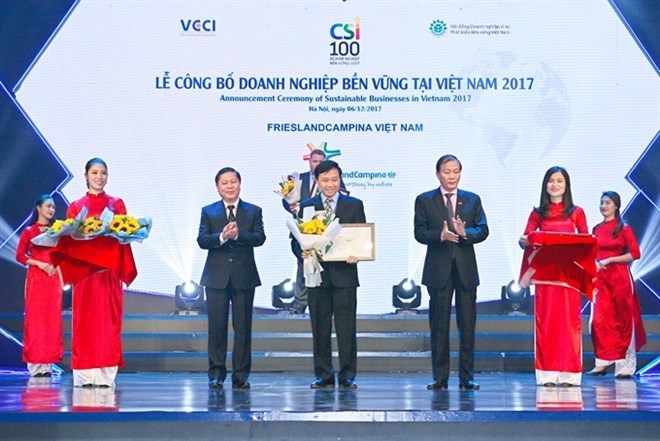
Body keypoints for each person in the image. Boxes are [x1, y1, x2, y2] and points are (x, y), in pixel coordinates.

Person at [414, 154, 489, 391]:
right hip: (438, 271)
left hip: (466, 270)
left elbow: (483, 230)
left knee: (467, 326)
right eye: (447, 172)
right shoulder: (425, 200)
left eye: (456, 171)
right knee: (439, 326)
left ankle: (467, 377)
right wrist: (440, 235)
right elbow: (419, 233)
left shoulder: (472, 199)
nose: (452, 176)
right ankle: (440, 378)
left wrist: (465, 233)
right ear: (438, 174)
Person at [292, 160, 365, 389]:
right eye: (325, 180)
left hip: (345, 275)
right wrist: (301, 252)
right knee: (320, 328)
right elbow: (294, 241)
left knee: (346, 328)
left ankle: (347, 376)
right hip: (317, 275)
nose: (330, 184)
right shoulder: (307, 206)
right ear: (317, 181)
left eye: (334, 179)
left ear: (340, 179)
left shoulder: (354, 205)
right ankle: (323, 375)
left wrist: (357, 254)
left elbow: (361, 237)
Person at [64, 157, 136, 388]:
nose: (99, 177)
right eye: (94, 172)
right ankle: (84, 375)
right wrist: (83, 235)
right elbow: (69, 240)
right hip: (85, 273)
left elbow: (124, 234)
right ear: (86, 176)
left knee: (108, 321)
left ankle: (106, 375)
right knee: (84, 322)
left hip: (108, 272)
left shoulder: (117, 203)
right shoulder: (76, 206)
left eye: (103, 173)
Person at [519, 166, 588, 387]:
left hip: (569, 277)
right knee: (546, 322)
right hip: (546, 276)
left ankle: (569, 374)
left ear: (566, 185)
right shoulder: (537, 213)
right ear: (545, 185)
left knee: (569, 323)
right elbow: (525, 238)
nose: (555, 185)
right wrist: (525, 241)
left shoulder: (576, 212)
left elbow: (586, 241)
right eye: (551, 180)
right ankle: (547, 374)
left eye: (559, 181)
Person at [198, 167, 266, 390]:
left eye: (233, 182)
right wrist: (222, 236)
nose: (229, 186)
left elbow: (259, 238)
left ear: (240, 184)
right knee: (216, 328)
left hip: (244, 276)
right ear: (217, 187)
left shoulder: (253, 211)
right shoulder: (208, 211)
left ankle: (241, 375)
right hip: (216, 278)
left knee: (243, 328)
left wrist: (238, 235)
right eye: (224, 183)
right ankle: (216, 374)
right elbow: (202, 240)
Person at [586, 191, 646, 378]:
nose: (604, 206)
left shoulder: (624, 228)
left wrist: (611, 259)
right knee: (598, 321)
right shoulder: (596, 229)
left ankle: (625, 366)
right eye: (602, 203)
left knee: (623, 320)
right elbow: (592, 252)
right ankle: (601, 363)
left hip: (619, 278)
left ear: (616, 206)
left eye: (608, 203)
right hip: (600, 279)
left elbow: (635, 253)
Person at [283, 149, 346, 314]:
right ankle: (299, 306)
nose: (317, 164)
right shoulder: (299, 179)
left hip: (328, 234)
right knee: (303, 268)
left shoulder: (335, 182)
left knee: (327, 272)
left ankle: (325, 307)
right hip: (304, 232)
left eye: (320, 161)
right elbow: (286, 199)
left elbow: (342, 201)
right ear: (309, 162)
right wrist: (292, 207)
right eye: (314, 161)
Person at [15, 194, 63, 377]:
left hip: (53, 278)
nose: (51, 210)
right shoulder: (29, 231)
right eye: (48, 206)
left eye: (53, 207)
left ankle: (47, 364)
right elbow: (20, 256)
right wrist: (39, 263)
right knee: (36, 321)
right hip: (37, 279)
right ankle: (35, 365)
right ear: (38, 208)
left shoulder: (57, 230)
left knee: (51, 321)